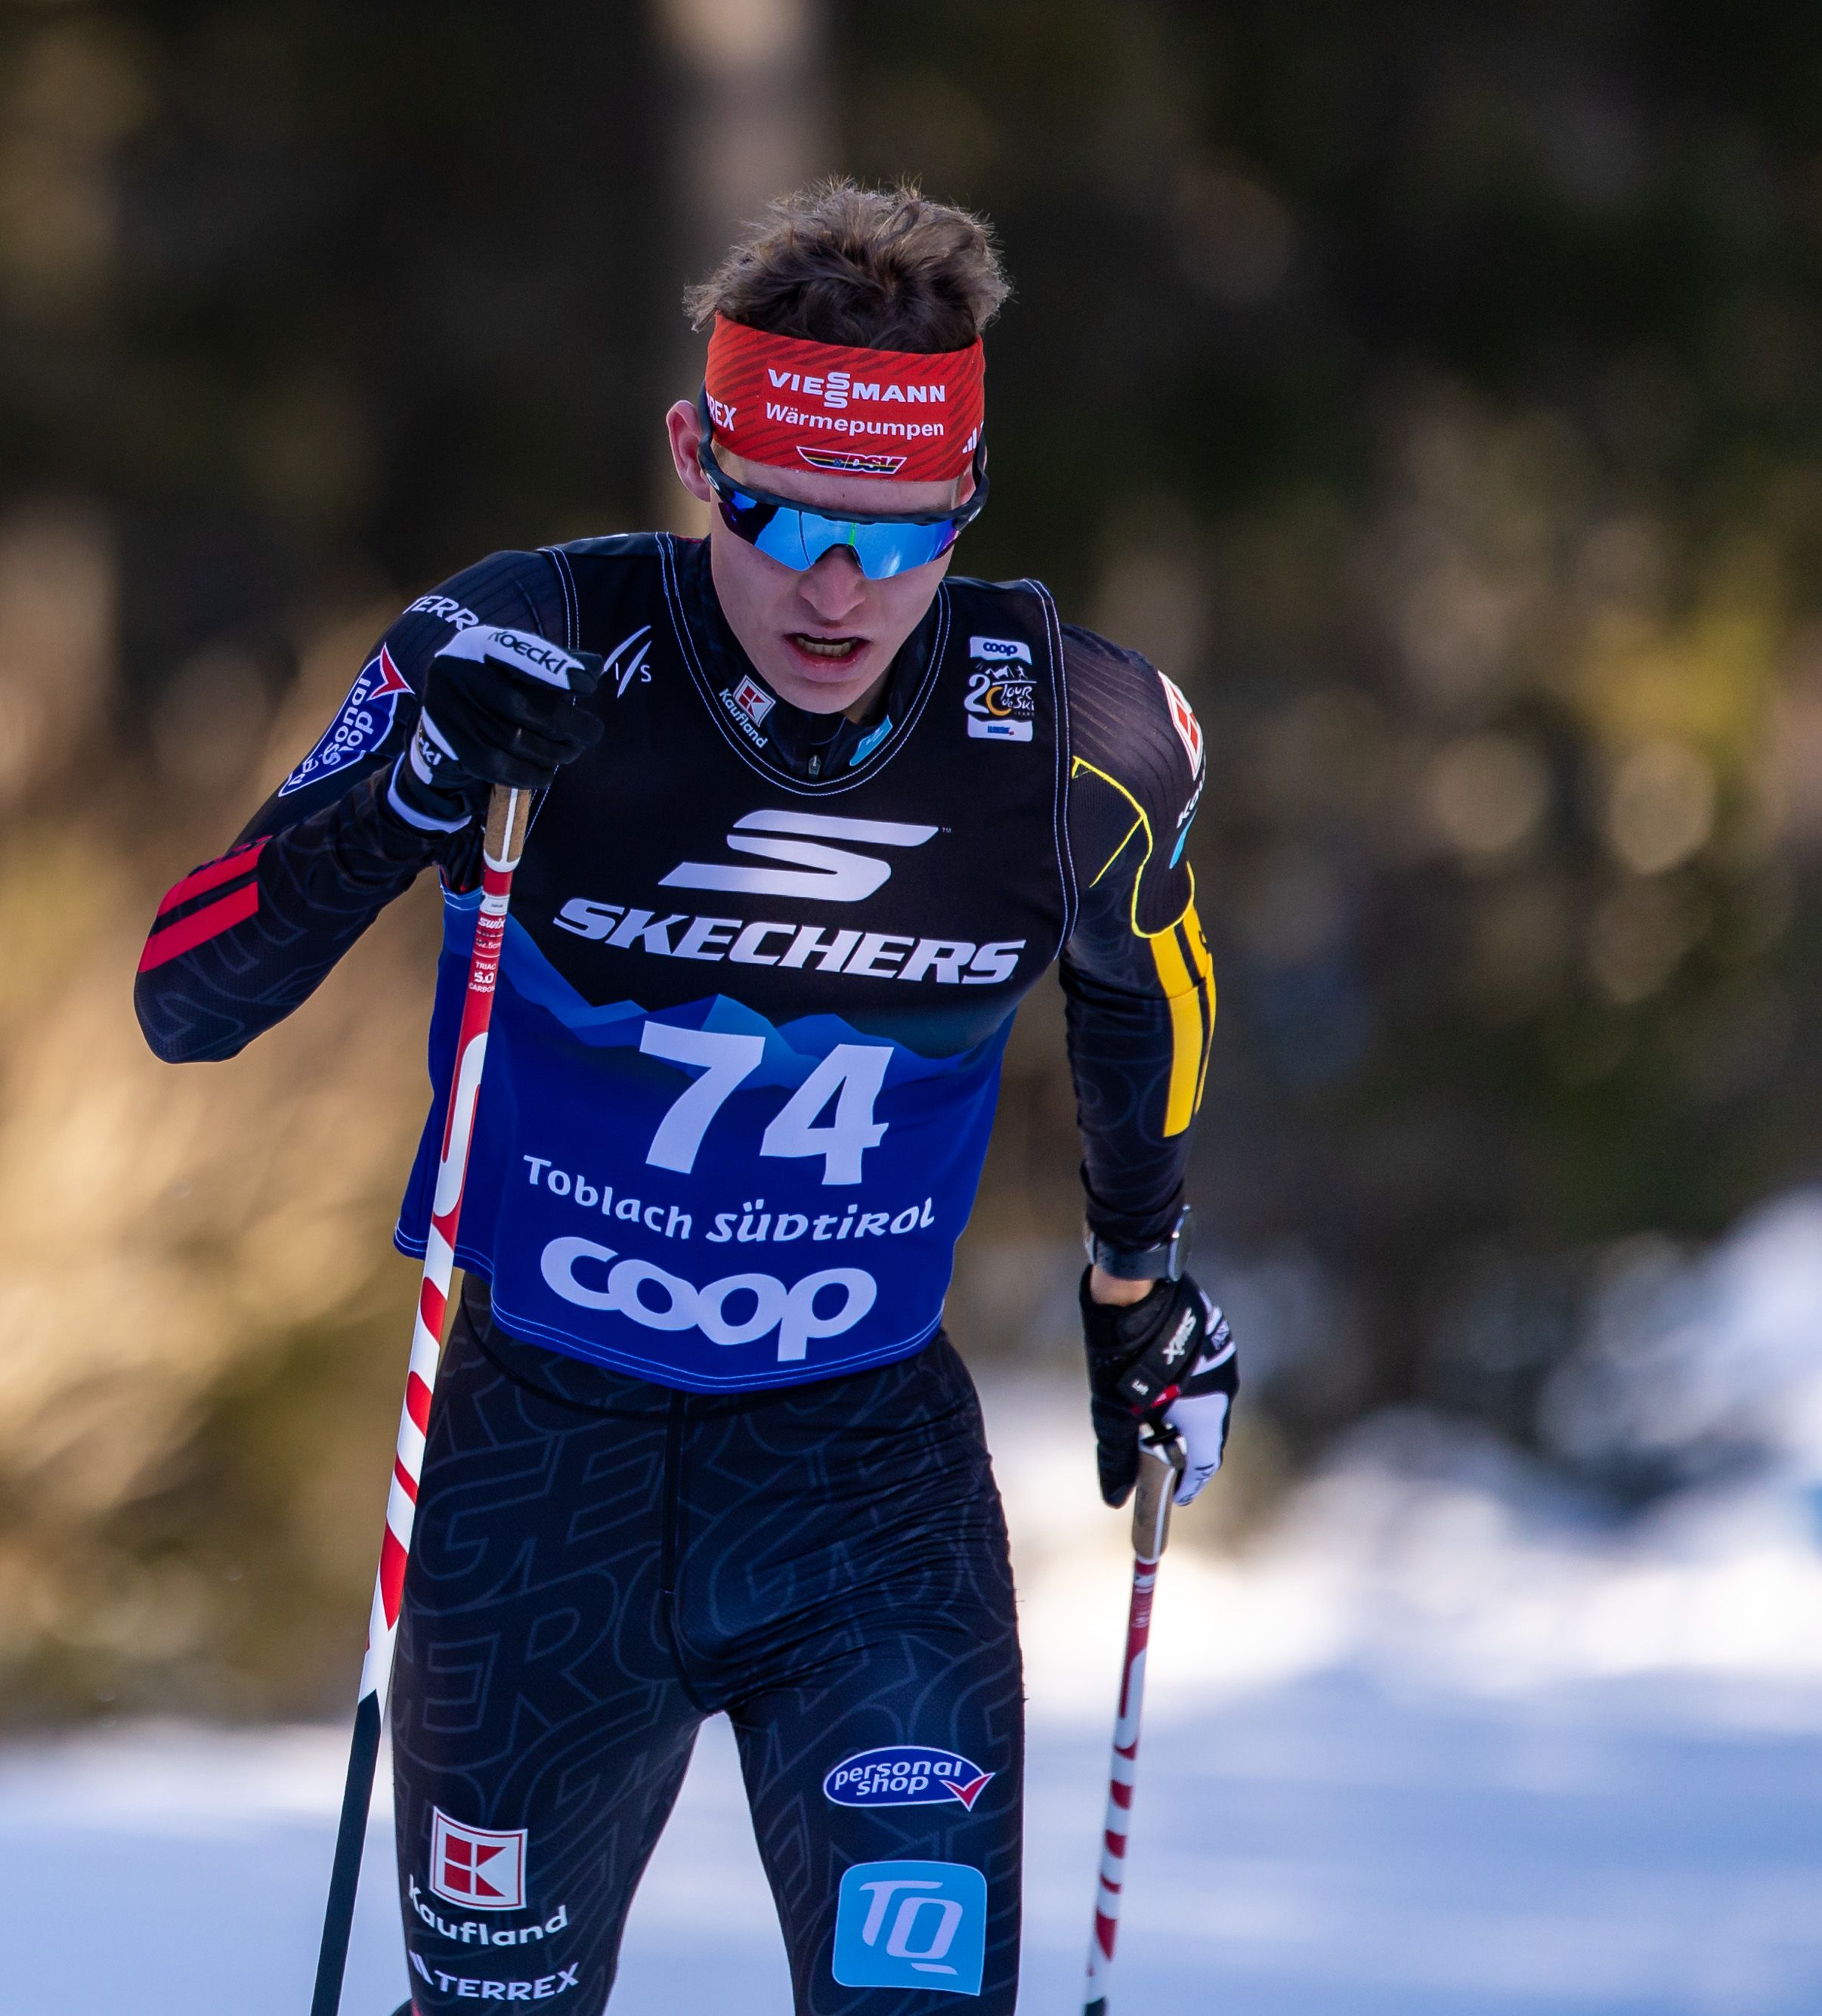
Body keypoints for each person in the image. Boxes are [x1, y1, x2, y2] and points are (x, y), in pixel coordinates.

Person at [136, 181, 1235, 2015]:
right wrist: (398, 788)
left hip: (859, 1484)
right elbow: (188, 990)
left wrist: (1137, 1285)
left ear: (969, 497)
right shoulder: (523, 653)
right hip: (541, 1474)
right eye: (778, 513)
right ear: (689, 455)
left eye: (895, 533)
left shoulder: (1077, 741)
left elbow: (1146, 1002)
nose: (834, 586)